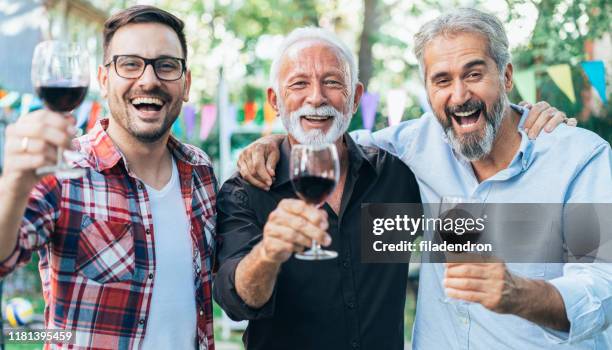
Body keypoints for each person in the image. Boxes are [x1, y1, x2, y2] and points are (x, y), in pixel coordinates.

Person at [237, 8, 612, 349]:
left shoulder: (579, 157)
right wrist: (275, 140)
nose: (459, 95)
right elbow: (330, 137)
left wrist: (517, 294)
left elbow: (602, 287)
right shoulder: (411, 147)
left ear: (508, 75)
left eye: (474, 74)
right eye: (442, 80)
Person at [0, 6, 216, 350]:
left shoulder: (201, 171)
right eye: (130, 64)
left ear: (185, 83)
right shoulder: (61, 169)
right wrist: (12, 182)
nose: (148, 80)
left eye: (166, 65)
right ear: (103, 80)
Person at [213, 28, 422, 350]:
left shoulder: (395, 177)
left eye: (333, 82)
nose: (316, 97)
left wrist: (521, 118)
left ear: (355, 98)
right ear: (275, 101)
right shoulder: (245, 191)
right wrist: (269, 253)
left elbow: (478, 234)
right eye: (299, 83)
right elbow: (237, 303)